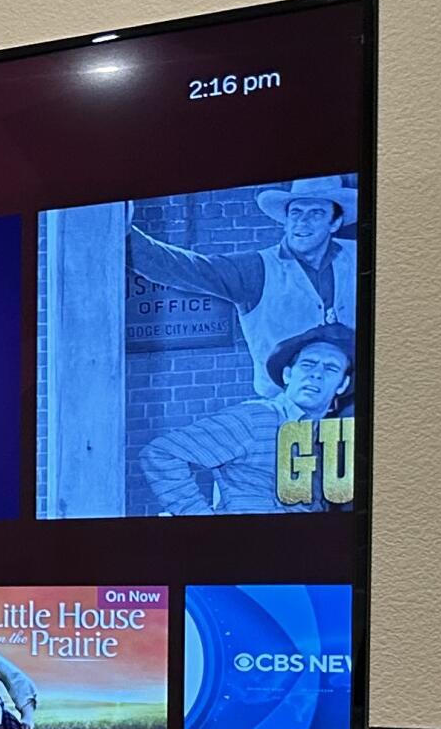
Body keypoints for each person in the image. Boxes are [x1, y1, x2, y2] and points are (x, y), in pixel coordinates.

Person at [126, 175, 357, 396]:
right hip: (283, 410)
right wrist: (122, 230)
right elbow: (180, 267)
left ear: (335, 222)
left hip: (353, 404)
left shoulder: (358, 256)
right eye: (296, 212)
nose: (302, 222)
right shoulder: (255, 269)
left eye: (316, 213)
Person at [138, 324, 356, 515]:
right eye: (308, 364)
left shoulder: (327, 436)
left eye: (331, 368)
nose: (316, 374)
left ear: (342, 384)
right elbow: (161, 452)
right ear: (288, 375)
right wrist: (199, 518)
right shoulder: (257, 418)